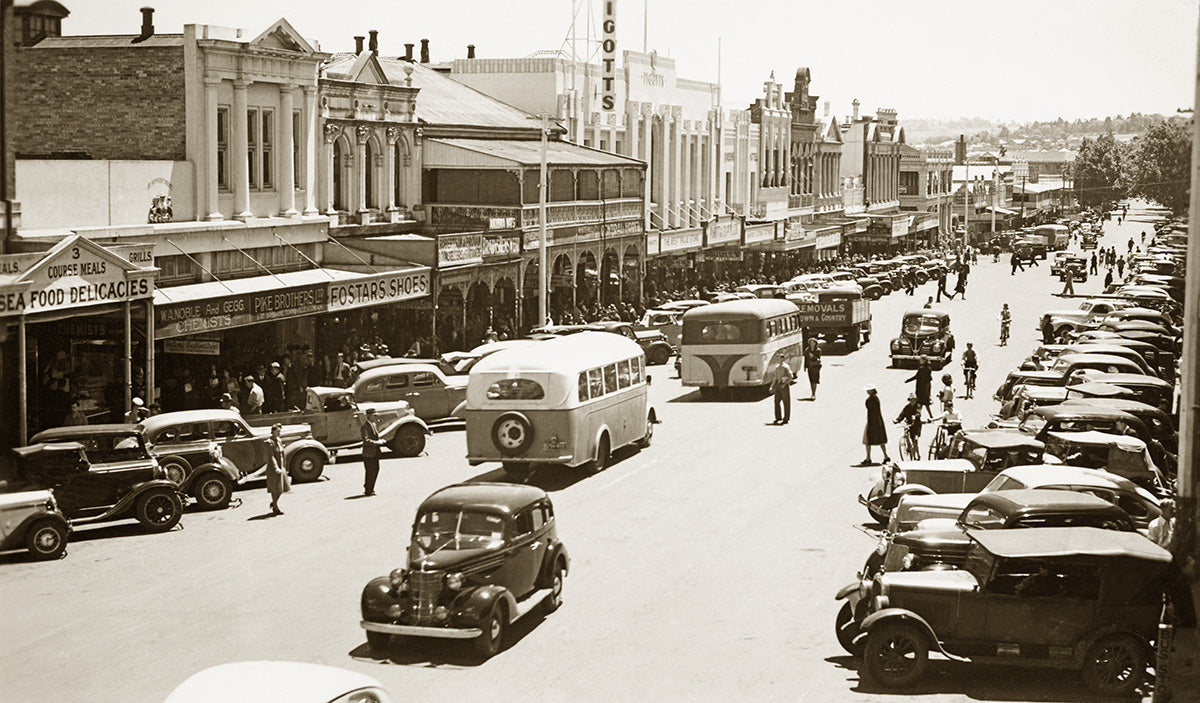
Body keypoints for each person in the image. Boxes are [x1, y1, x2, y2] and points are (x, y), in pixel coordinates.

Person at [858, 385, 889, 466]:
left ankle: (868, 458)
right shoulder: (876, 398)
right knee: (881, 440)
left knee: (867, 440)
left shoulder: (870, 400)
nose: (867, 391)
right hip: (878, 421)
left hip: (872, 421)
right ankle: (886, 456)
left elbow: (870, 409)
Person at [265, 423, 290, 515]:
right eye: (278, 431)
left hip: (281, 466)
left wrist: (284, 466)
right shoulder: (269, 442)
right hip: (274, 467)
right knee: (275, 488)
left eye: (280, 431)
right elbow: (271, 456)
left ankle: (274, 503)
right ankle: (275, 507)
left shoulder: (279, 440)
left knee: (282, 488)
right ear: (273, 431)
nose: (279, 433)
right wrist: (276, 467)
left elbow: (282, 454)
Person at [360, 407, 385, 494]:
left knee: (376, 469)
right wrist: (378, 442)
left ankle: (370, 487)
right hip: (369, 453)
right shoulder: (365, 427)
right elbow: (366, 440)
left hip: (375, 452)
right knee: (370, 471)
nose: (376, 417)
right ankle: (368, 489)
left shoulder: (373, 425)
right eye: (374, 415)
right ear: (369, 416)